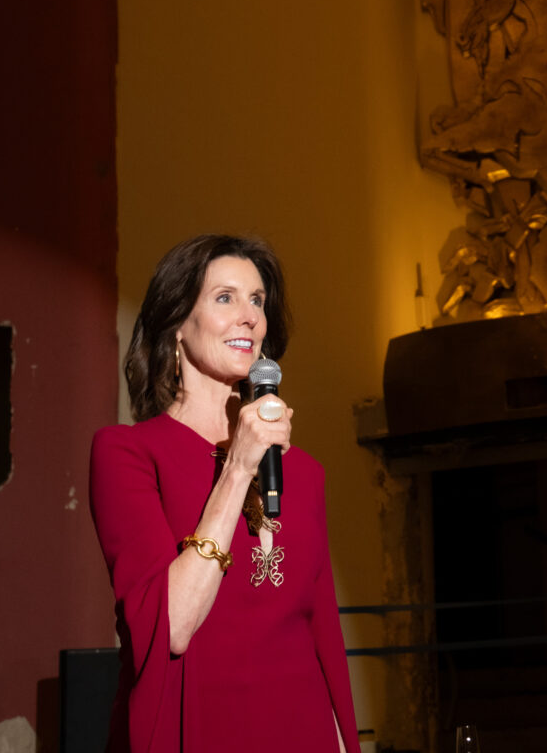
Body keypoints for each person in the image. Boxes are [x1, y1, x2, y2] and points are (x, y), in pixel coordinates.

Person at [89, 234, 360, 752]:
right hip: (195, 730)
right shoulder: (127, 454)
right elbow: (171, 628)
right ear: (176, 326)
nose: (250, 317)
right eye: (225, 297)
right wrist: (238, 468)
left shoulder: (304, 471)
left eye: (257, 300)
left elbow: (321, 630)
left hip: (302, 731)